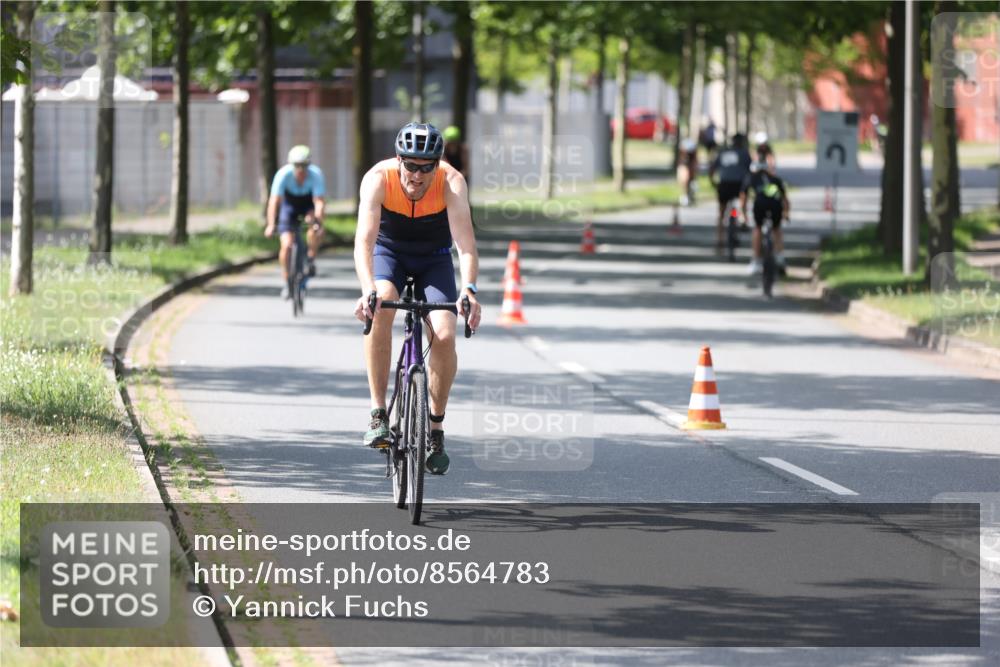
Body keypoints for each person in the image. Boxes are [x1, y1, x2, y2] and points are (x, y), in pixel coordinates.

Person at [353, 122, 482, 475]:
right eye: (411, 165)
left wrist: (469, 290)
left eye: (427, 167)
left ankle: (435, 429)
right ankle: (378, 413)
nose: (418, 175)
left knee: (445, 333)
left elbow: (465, 246)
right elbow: (364, 242)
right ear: (399, 160)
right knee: (382, 303)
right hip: (389, 254)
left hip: (433, 259)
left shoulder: (452, 182)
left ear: (438, 164)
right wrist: (367, 288)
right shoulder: (378, 179)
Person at [264, 145, 326, 298]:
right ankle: (287, 280)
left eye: (304, 165)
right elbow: (274, 202)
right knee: (286, 245)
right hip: (289, 207)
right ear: (291, 165)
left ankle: (310, 257)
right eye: (297, 165)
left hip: (308, 205)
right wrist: (271, 224)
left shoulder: (316, 175)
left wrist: (318, 222)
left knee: (314, 226)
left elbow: (319, 202)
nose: (300, 169)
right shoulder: (283, 175)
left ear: (308, 165)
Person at [741, 161, 790, 276]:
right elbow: (785, 199)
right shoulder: (775, 179)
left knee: (757, 229)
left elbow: (743, 197)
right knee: (776, 229)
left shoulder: (751, 178)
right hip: (775, 205)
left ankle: (756, 260)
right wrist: (786, 214)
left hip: (760, 204)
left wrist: (744, 215)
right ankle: (780, 258)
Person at [709, 133, 752, 252]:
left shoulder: (722, 152)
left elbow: (712, 168)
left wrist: (713, 182)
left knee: (721, 213)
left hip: (724, 184)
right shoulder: (744, 153)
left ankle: (719, 240)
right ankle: (743, 218)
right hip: (738, 185)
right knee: (742, 199)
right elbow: (750, 170)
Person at [677, 138, 699, 206]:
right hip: (684, 166)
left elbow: (695, 161)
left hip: (690, 166)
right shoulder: (682, 157)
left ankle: (691, 195)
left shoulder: (692, 154)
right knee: (684, 182)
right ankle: (685, 196)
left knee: (691, 181)